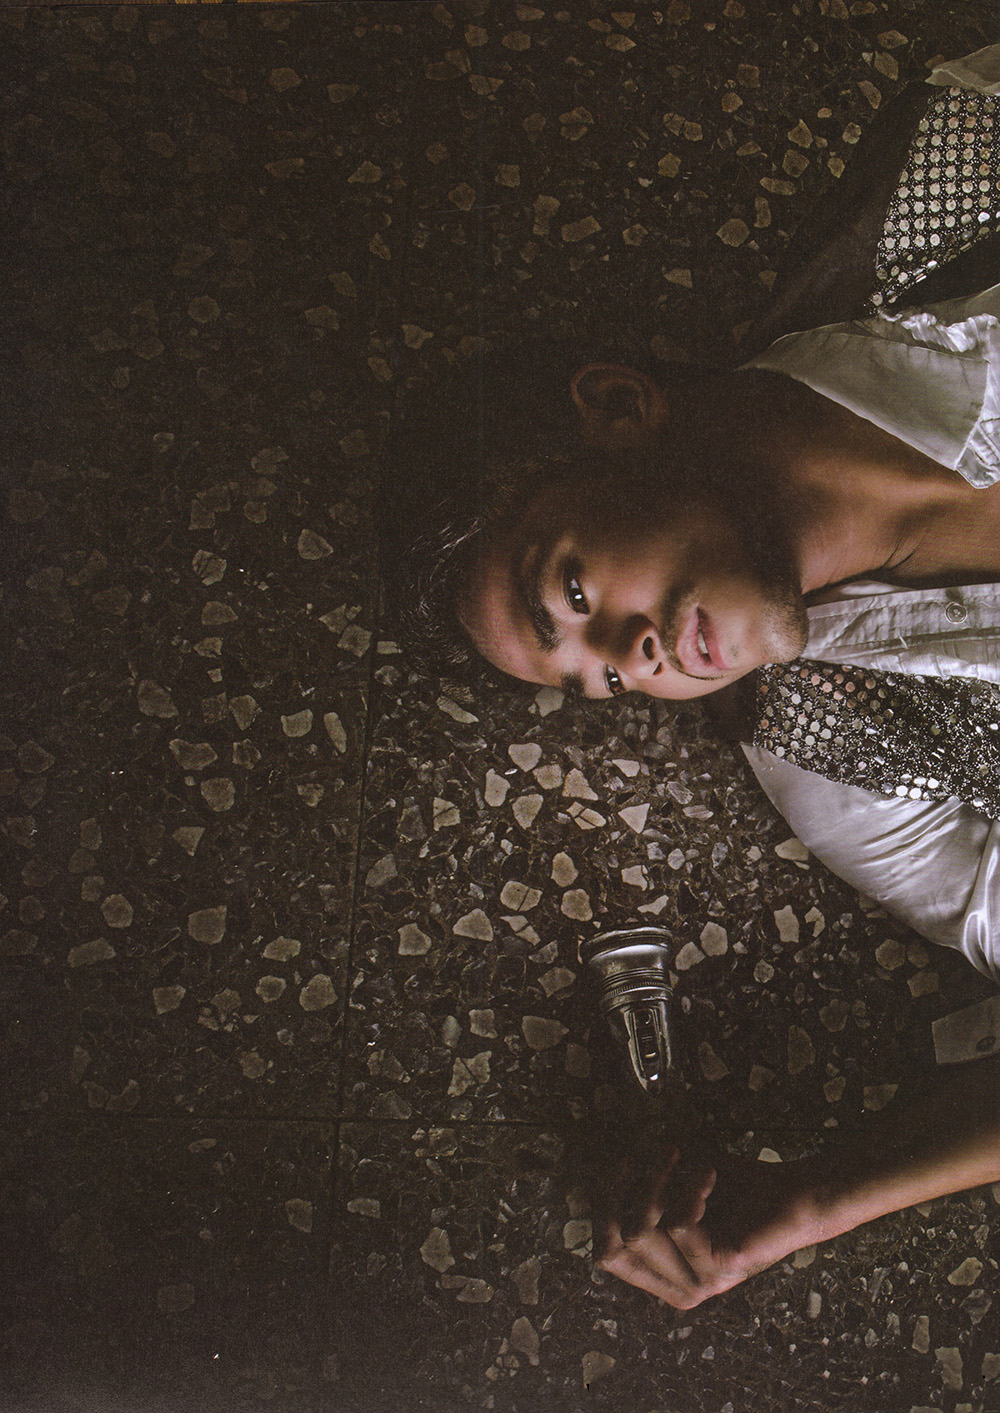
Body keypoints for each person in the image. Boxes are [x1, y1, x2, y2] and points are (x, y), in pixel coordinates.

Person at [382, 46, 1000, 1308]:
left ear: (619, 408)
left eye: (570, 594)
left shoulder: (957, 168)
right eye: (597, 686)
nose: (628, 663)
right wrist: (810, 1204)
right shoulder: (832, 754)